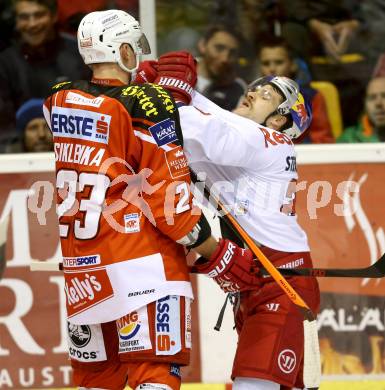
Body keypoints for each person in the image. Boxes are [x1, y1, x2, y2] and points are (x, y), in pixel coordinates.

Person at [42, 10, 259, 390]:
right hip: (144, 271)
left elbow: (96, 110)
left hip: (84, 273)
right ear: (123, 49)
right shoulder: (149, 103)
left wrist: (142, 92)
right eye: (134, 52)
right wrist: (217, 251)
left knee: (96, 380)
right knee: (154, 375)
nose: (139, 60)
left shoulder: (60, 97)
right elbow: (171, 205)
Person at [138, 54, 320, 389]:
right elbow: (216, 118)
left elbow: (202, 130)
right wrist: (173, 92)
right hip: (262, 277)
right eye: (255, 87)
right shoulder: (255, 140)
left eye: (266, 95)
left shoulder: (269, 141)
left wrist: (165, 94)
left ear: (279, 121)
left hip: (280, 280)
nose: (253, 92)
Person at [0, 0, 90, 150]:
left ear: (54, 16)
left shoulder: (80, 54)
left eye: (39, 15)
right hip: (22, 157)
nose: (32, 24)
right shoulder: (5, 63)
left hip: (78, 152)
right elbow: (4, 128)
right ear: (15, 21)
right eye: (24, 17)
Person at [258, 36, 335, 144]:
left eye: (279, 62)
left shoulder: (311, 97)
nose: (272, 69)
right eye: (266, 63)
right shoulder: (252, 98)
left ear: (293, 65)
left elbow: (322, 140)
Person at [196, 24, 247, 111]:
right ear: (202, 45)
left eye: (232, 53)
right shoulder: (177, 73)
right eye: (219, 48)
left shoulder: (238, 88)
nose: (225, 59)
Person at [338, 77, 385, 143]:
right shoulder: (349, 138)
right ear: (365, 105)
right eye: (372, 98)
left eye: (384, 96)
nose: (378, 103)